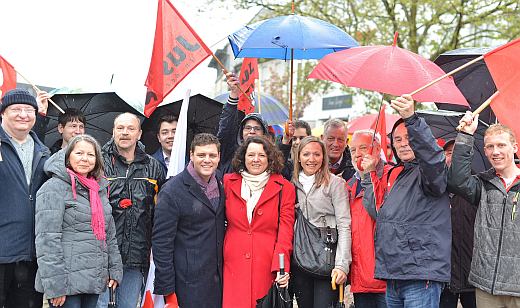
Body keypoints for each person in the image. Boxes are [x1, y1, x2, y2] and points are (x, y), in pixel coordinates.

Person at [361, 95, 451, 307]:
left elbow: (433, 157)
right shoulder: (398, 174)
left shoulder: (430, 172)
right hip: (394, 273)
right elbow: (379, 213)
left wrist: (412, 119)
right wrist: (368, 176)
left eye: (409, 137)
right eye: (398, 139)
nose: (403, 144)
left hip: (420, 276)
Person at [35, 135, 123, 308]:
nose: (85, 158)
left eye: (91, 155)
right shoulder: (53, 188)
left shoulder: (99, 190)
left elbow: (109, 236)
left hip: (94, 278)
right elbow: (47, 240)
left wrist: (114, 270)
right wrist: (56, 286)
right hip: (66, 282)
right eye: (79, 153)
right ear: (68, 157)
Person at [448, 114, 520, 307]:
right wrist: (465, 135)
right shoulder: (482, 183)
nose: (495, 151)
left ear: (514, 148)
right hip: (486, 285)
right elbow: (457, 181)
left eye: (501, 145)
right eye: (490, 146)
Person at [96, 113, 165, 308]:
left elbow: (159, 214)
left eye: (130, 128)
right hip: (103, 255)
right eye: (120, 128)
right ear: (113, 131)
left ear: (139, 134)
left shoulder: (153, 167)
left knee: (127, 305)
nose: (125, 133)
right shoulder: (98, 164)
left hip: (137, 255)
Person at [152, 133, 225, 308]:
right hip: (186, 284)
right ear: (191, 155)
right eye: (201, 155)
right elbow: (161, 243)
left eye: (212, 155)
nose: (207, 160)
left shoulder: (221, 183)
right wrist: (168, 291)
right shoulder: (171, 191)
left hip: (217, 281)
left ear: (219, 157)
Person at [222, 136, 295, 308]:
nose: (256, 160)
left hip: (267, 265)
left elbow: (286, 231)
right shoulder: (227, 182)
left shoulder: (284, 187)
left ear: (269, 158)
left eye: (261, 155)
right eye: (251, 155)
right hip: (233, 264)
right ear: (243, 157)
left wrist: (281, 267)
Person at [0, 89, 50, 308]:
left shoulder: (44, 153)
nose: (23, 114)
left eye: (28, 110)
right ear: (3, 113)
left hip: (32, 253)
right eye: (16, 109)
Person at [290, 136, 351, 308]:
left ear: (323, 157)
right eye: (306, 154)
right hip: (300, 262)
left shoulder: (335, 183)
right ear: (298, 157)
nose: (311, 159)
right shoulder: (291, 184)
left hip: (327, 262)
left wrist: (342, 265)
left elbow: (344, 225)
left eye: (316, 154)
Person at [346, 130, 388, 308]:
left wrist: (369, 176)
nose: (357, 154)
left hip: (386, 278)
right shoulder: (349, 185)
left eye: (363, 147)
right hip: (360, 278)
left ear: (377, 149)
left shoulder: (391, 177)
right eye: (353, 150)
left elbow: (380, 214)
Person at [440, 139, 477, 308]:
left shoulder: (479, 186)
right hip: (443, 275)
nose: (453, 157)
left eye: (458, 153)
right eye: (449, 153)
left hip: (472, 274)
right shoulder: (435, 186)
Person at [217, 71, 269, 174]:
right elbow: (226, 129)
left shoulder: (271, 157)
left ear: (264, 133)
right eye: (248, 128)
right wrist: (234, 94)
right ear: (241, 132)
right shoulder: (230, 152)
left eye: (257, 128)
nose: (252, 131)